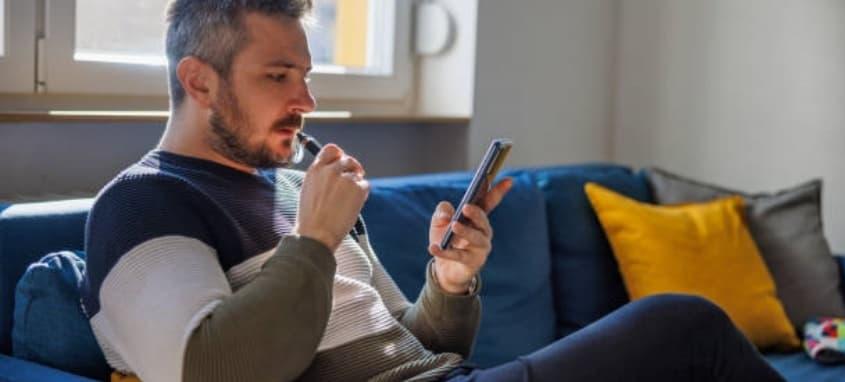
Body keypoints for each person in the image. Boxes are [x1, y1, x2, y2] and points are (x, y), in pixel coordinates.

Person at [80, 1, 785, 381]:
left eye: (306, 75)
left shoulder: (302, 178)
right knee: (683, 327)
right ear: (199, 81)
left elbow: (408, 341)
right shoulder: (143, 203)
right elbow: (209, 371)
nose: (307, 100)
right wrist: (315, 240)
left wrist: (450, 282)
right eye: (278, 76)